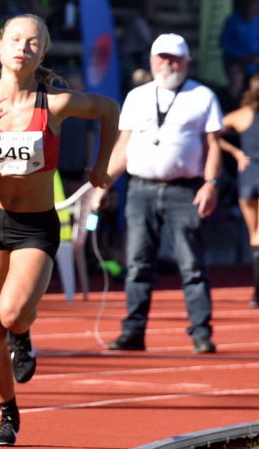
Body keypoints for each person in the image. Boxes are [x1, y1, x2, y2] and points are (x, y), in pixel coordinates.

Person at [0, 13, 119, 447]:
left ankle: (23, 334)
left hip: (34, 227)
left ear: (41, 52)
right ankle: (6, 413)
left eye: (32, 42)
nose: (22, 48)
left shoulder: (56, 104)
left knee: (11, 315)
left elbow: (107, 109)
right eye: (15, 39)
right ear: (0, 46)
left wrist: (101, 168)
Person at [92, 33, 222, 355]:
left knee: (191, 265)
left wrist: (211, 184)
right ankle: (133, 331)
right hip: (141, 189)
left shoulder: (202, 96)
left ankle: (201, 332)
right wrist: (103, 185)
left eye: (175, 58)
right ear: (151, 61)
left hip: (184, 189)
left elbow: (213, 146)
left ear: (187, 61)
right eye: (162, 58)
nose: (168, 64)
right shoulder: (137, 96)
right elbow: (123, 145)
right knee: (137, 264)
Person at [217, 74, 259, 308]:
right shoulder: (244, 115)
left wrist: (234, 152)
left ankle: (256, 292)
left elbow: (212, 132)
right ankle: (257, 291)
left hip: (248, 179)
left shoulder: (242, 116)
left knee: (253, 234)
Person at [219, 0, 259, 102]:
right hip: (235, 61)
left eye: (255, 9)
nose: (252, 12)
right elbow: (224, 44)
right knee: (236, 82)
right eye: (250, 9)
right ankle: (233, 107)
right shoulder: (233, 21)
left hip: (255, 62)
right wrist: (241, 57)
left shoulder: (257, 21)